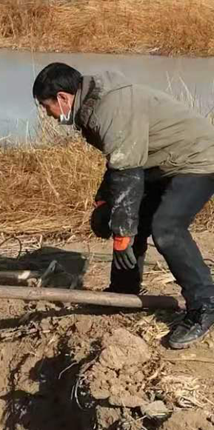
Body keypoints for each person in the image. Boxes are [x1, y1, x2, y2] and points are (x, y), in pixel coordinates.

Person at [33, 62, 214, 349]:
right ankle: (123, 294)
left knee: (167, 229)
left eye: (47, 107)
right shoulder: (91, 104)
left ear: (63, 98)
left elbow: (127, 174)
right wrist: (104, 203)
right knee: (121, 219)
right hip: (162, 163)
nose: (48, 115)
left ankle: (204, 305)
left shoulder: (109, 107)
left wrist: (122, 234)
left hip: (198, 160)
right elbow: (120, 160)